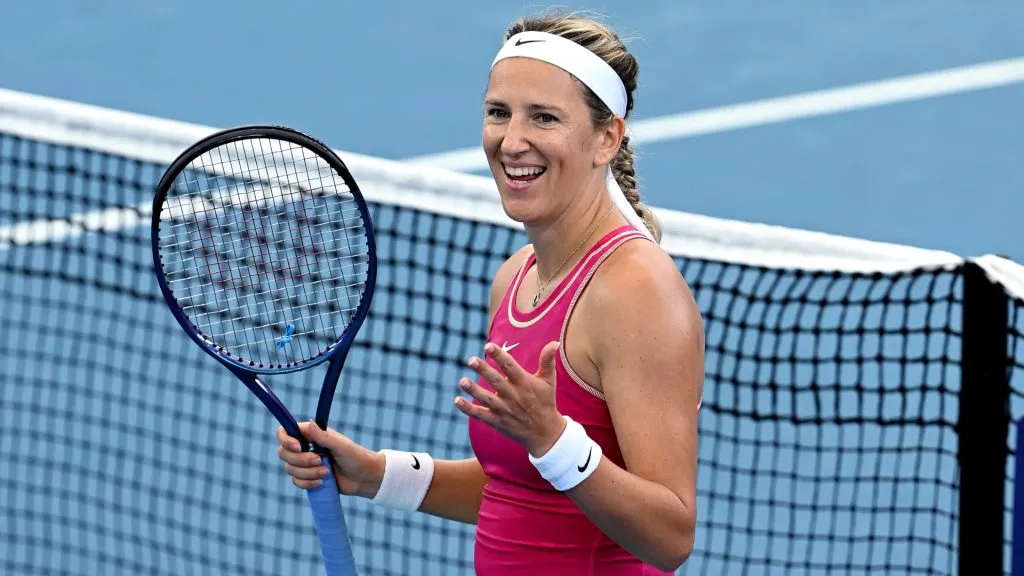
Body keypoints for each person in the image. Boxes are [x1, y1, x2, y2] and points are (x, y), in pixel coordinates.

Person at [276, 11, 705, 575]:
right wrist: (380, 474)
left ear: (606, 138)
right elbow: (523, 488)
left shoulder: (634, 291)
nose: (512, 141)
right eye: (499, 112)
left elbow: (670, 535)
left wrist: (553, 438)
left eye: (544, 117)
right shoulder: (516, 277)